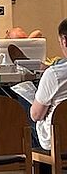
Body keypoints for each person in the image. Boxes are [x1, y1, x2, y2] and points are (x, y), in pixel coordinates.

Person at [30, 18, 67, 150]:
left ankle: (34, 159)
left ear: (64, 41)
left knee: (27, 110)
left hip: (58, 141)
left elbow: (36, 116)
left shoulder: (54, 74)